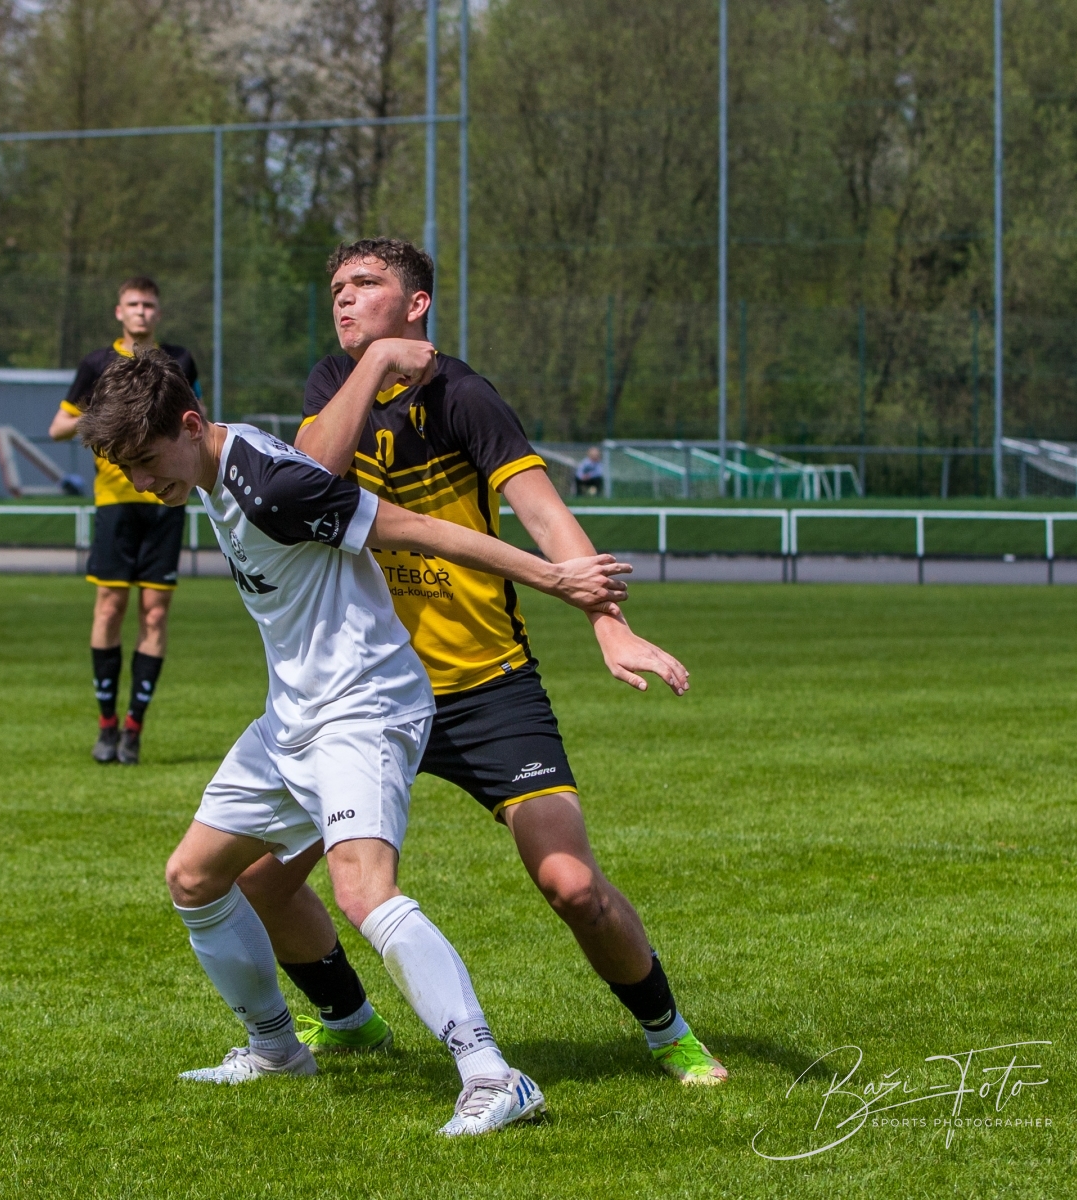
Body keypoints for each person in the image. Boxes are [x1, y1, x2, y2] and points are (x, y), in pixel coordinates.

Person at [75, 348, 636, 1135]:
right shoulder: (213, 468)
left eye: (145, 461)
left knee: (364, 891)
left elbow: (421, 530)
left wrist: (557, 580)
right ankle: (277, 1049)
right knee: (194, 876)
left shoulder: (271, 486)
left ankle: (492, 1075)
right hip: (292, 716)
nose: (140, 481)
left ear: (192, 425)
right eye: (126, 468)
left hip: (364, 706)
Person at [234, 238, 727, 1087]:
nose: (344, 297)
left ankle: (668, 1032)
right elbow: (312, 469)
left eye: (367, 284)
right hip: (366, 696)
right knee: (261, 879)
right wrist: (374, 366)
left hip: (484, 688)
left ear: (416, 303)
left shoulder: (463, 396)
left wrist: (608, 623)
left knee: (572, 884)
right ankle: (350, 1023)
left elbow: (544, 514)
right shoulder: (333, 385)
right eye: (337, 286)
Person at [49, 277, 199, 766]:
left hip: (165, 502)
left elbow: (197, 419)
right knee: (109, 608)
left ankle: (134, 729)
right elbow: (58, 427)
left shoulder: (179, 361)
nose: (141, 312)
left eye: (149, 305)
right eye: (133, 304)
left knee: (154, 614)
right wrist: (111, 412)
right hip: (114, 501)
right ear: (119, 311)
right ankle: (106, 725)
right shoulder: (97, 365)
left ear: (159, 312)